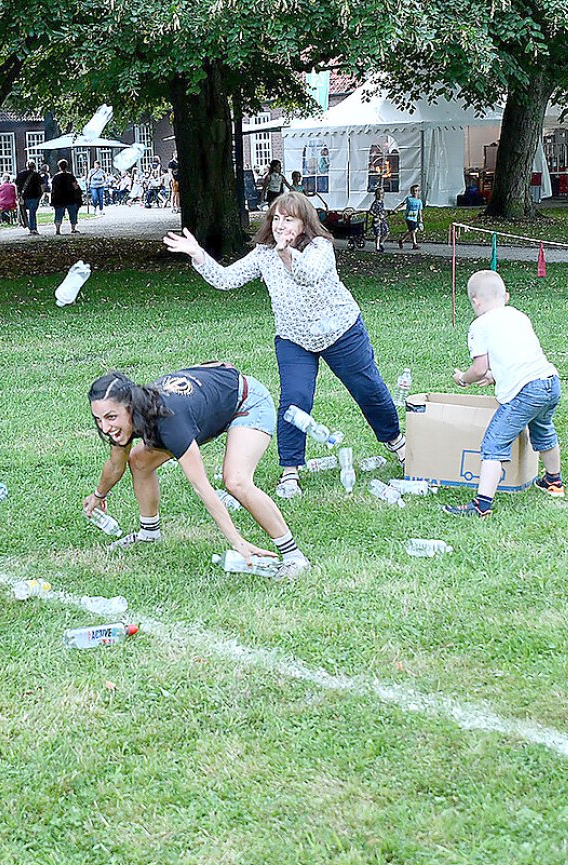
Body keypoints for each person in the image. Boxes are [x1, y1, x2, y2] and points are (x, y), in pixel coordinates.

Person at [163, 192, 405, 498]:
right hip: (294, 338)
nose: (280, 225)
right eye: (276, 218)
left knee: (367, 389)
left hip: (340, 330)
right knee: (295, 399)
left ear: (304, 223)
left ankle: (398, 444)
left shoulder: (320, 247)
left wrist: (287, 253)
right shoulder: (264, 252)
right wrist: (198, 254)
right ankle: (290, 470)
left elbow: (309, 276)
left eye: (288, 218)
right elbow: (226, 279)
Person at [83, 365, 310, 576]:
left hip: (247, 402)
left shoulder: (168, 420)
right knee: (139, 460)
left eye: (110, 417)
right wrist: (98, 496)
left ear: (131, 407)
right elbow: (116, 464)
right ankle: (149, 533)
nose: (105, 427)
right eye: (98, 419)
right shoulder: (129, 418)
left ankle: (294, 556)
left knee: (236, 481)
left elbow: (201, 486)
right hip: (213, 404)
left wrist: (236, 540)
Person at [443, 270, 565, 517]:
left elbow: (478, 369)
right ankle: (554, 482)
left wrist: (463, 379)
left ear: (475, 301)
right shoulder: (518, 316)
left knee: (493, 445)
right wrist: (495, 376)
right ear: (505, 296)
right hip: (549, 382)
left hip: (525, 393)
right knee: (544, 430)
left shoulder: (479, 325)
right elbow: (518, 357)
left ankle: (481, 505)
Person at [50, 160, 81, 235]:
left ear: (59, 167)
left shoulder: (56, 177)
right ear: (66, 166)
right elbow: (75, 186)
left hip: (59, 198)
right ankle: (73, 228)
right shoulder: (70, 176)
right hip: (70, 197)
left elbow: (53, 189)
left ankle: (58, 229)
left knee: (58, 213)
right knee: (73, 213)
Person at [15, 159, 45, 234]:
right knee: (32, 212)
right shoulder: (36, 175)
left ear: (27, 166)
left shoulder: (20, 174)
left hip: (23, 196)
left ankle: (26, 224)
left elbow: (16, 186)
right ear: (34, 166)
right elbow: (42, 187)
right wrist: (40, 195)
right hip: (34, 196)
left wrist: (18, 196)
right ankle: (33, 228)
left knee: (23, 211)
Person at [397, 183, 424, 249]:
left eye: (416, 191)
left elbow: (419, 210)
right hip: (408, 218)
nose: (415, 192)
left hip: (414, 218)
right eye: (413, 191)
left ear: (418, 191)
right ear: (411, 192)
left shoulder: (419, 201)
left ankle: (402, 240)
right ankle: (415, 244)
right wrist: (396, 209)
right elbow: (402, 204)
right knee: (413, 231)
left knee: (412, 230)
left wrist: (420, 218)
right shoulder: (409, 199)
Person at [367, 178, 390, 253]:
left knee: (387, 232)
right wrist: (376, 215)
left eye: (382, 193)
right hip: (377, 220)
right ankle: (377, 247)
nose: (380, 195)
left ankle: (381, 242)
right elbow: (370, 211)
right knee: (378, 233)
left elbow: (383, 210)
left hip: (383, 220)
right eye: (379, 193)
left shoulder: (382, 202)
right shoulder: (375, 203)